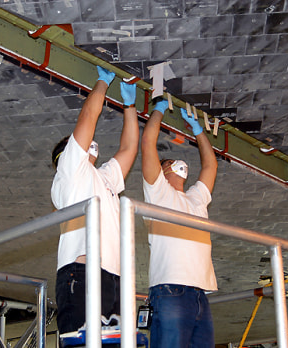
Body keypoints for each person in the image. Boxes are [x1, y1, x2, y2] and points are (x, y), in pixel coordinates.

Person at [51, 66, 139, 335]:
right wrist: (102, 83)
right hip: (83, 272)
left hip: (114, 277)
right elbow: (88, 117)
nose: (90, 142)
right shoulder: (69, 170)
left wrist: (130, 106)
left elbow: (128, 149)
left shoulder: (105, 178)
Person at [141, 99, 218, 348]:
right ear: (162, 171)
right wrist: (159, 110)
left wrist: (198, 132)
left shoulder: (196, 199)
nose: (176, 164)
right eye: (167, 162)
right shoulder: (158, 193)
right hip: (170, 288)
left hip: (199, 292)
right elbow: (147, 144)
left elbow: (210, 164)